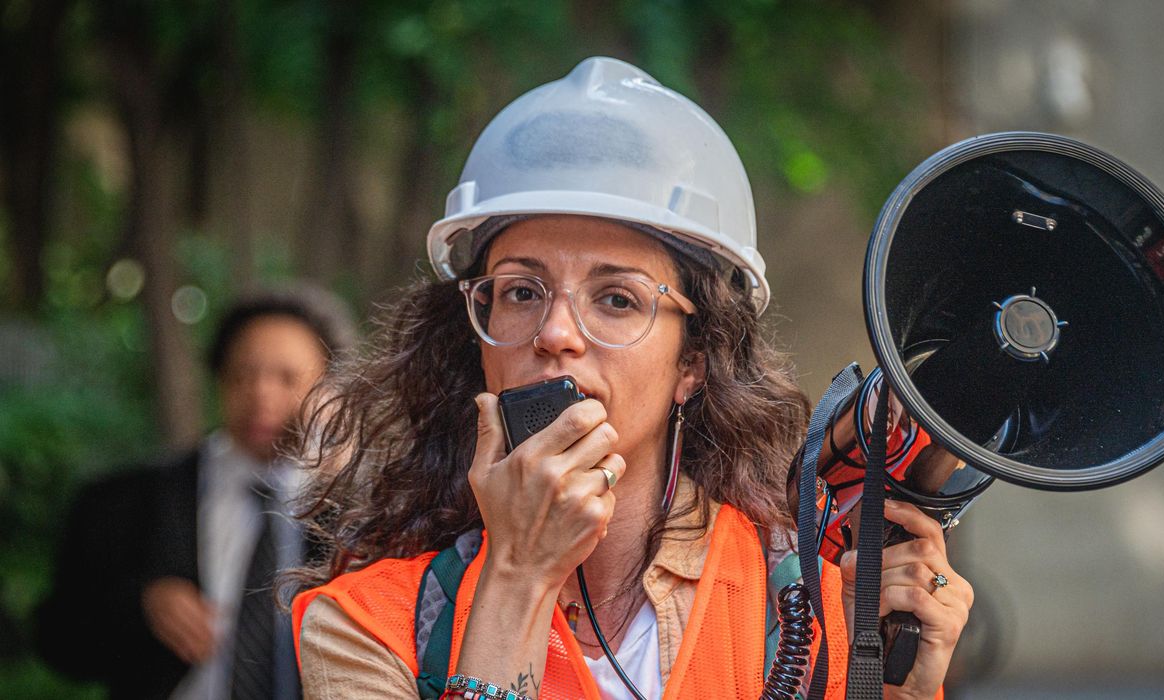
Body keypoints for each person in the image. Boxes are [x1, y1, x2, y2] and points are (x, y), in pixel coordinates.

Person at [290, 57, 971, 699]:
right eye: (522, 292)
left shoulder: (815, 608)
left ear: (694, 363)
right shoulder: (365, 623)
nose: (554, 334)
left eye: (616, 299)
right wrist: (519, 574)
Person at [35, 283, 356, 700]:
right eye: (242, 374)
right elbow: (57, 641)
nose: (260, 394)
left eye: (287, 377)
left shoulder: (357, 506)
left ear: (330, 389)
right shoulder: (127, 502)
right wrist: (141, 604)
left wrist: (341, 465)